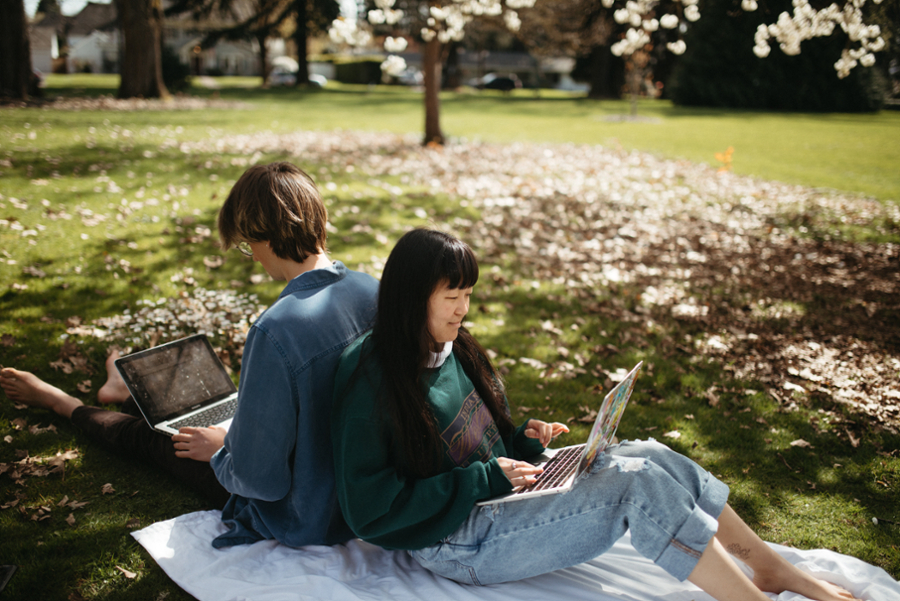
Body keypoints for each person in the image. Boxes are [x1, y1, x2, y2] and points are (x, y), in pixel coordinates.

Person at [330, 228, 860, 601]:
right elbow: (370, 510)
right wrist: (483, 479)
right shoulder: (370, 378)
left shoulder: (451, 345)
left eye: (468, 294)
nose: (463, 309)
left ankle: (768, 567)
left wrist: (524, 444)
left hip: (495, 501)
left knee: (649, 454)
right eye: (452, 296)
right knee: (635, 485)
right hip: (456, 542)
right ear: (411, 297)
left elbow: (482, 449)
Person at [0, 162, 379, 549]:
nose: (252, 256)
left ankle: (60, 402)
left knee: (159, 440)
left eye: (246, 246)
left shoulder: (276, 329)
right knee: (205, 419)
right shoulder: (374, 290)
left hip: (305, 513)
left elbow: (262, 481)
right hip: (361, 497)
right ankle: (123, 391)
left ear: (259, 234)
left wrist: (221, 452)